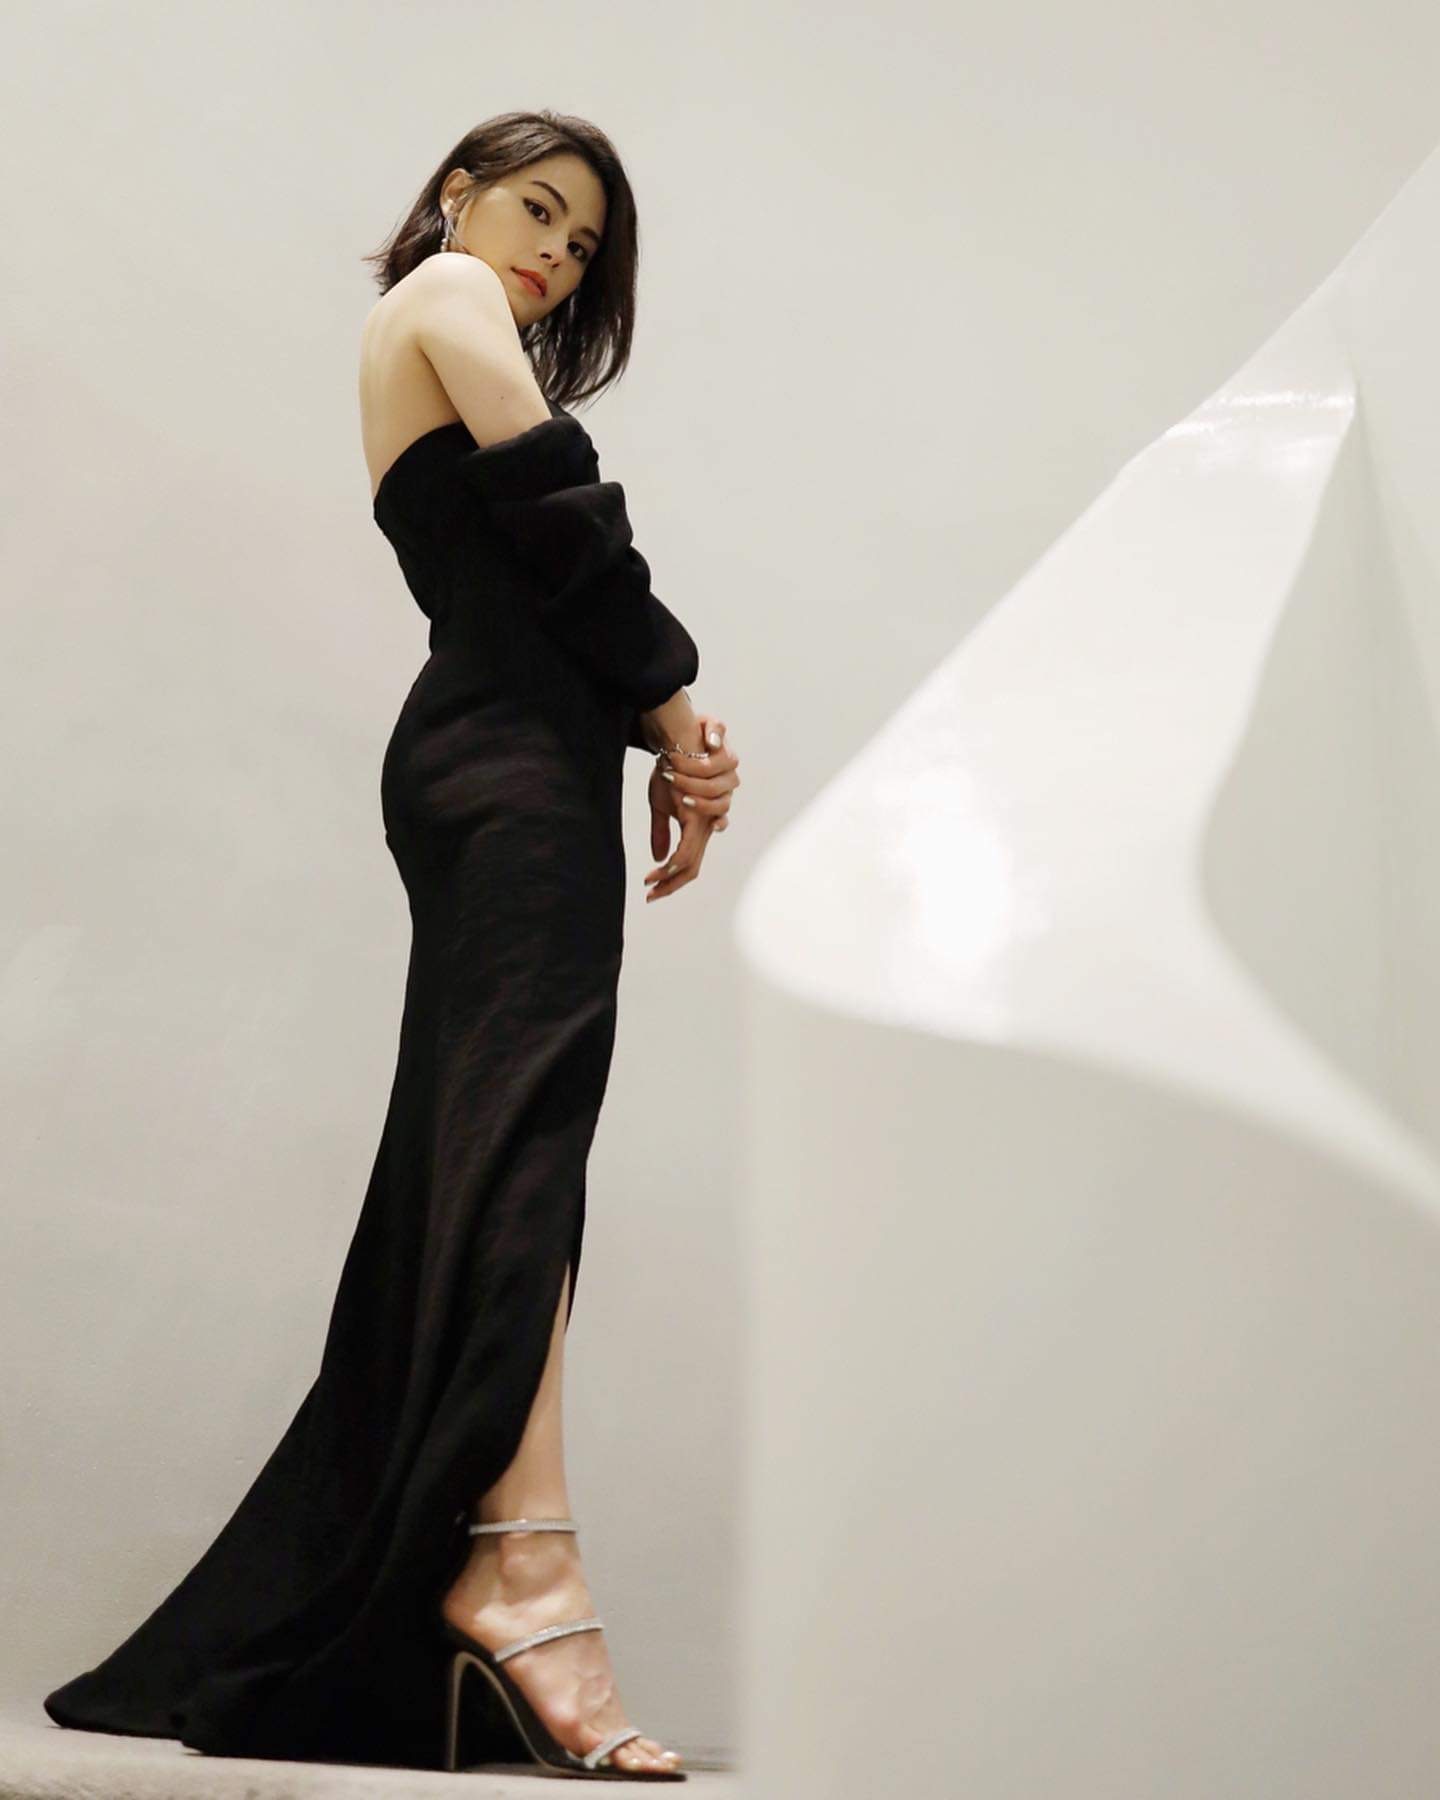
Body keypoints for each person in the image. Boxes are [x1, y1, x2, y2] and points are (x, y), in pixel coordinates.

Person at [42, 109, 740, 1781]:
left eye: (581, 244)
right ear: (457, 194)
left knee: (497, 1153)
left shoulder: (447, 314)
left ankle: (499, 1561)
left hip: (517, 766)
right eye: (538, 209)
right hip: (508, 776)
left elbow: (546, 560)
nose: (553, 253)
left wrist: (652, 732)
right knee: (520, 1154)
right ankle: (523, 1566)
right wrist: (683, 718)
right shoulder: (443, 296)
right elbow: (562, 517)